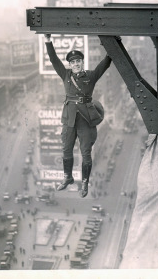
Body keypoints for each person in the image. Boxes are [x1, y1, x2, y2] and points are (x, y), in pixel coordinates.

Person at [44, 34, 112, 197]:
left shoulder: (91, 76)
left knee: (85, 153)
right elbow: (54, 60)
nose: (75, 64)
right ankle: (68, 178)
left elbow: (105, 63)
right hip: (69, 120)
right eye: (73, 62)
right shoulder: (65, 75)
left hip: (86, 121)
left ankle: (84, 183)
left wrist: (113, 45)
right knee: (66, 149)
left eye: (78, 61)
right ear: (70, 64)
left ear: (82, 62)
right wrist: (48, 41)